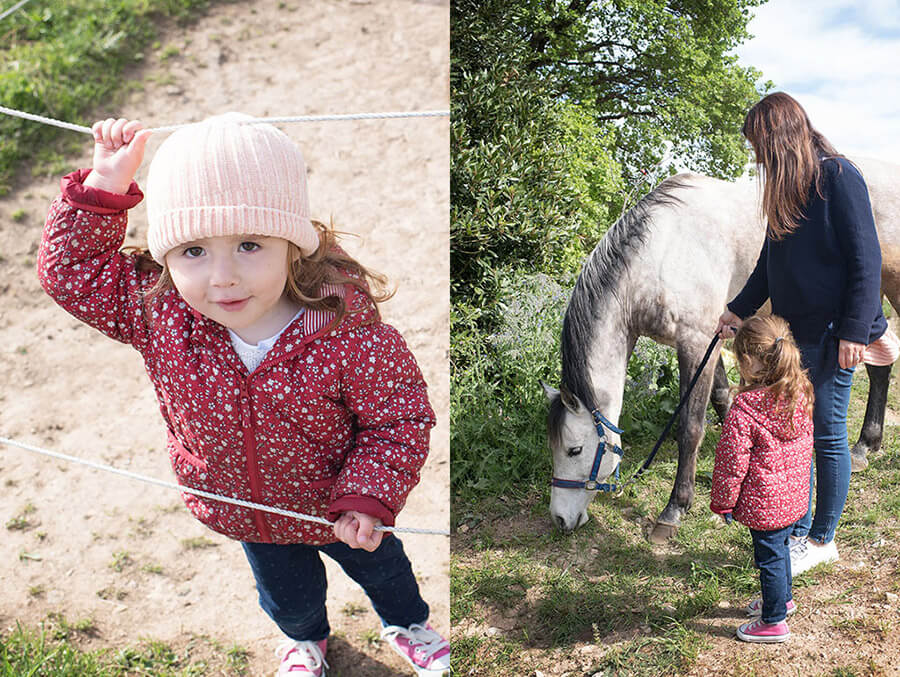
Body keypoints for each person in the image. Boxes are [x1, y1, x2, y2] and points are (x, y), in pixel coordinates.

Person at [38, 115, 450, 677]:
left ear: (293, 246)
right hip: (251, 513)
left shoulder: (348, 331)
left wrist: (366, 498)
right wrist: (105, 187)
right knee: (289, 598)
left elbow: (397, 420)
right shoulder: (160, 314)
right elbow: (69, 271)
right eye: (192, 251)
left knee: (387, 574)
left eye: (250, 244)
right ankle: (305, 643)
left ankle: (409, 625)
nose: (222, 277)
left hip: (344, 512)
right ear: (165, 257)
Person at [716, 92, 886, 576]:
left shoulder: (837, 176)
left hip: (835, 335)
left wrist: (855, 330)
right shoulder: (787, 188)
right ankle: (798, 526)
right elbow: (769, 266)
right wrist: (736, 311)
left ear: (779, 136)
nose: (757, 157)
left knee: (828, 436)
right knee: (800, 433)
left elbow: (865, 260)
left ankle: (822, 538)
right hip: (794, 335)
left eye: (759, 145)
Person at [711, 314, 814, 643]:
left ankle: (773, 621)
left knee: (769, 558)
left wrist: (723, 503)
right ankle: (782, 600)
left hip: (765, 504)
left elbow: (731, 463)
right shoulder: (800, 392)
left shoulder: (744, 408)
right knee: (780, 550)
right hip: (793, 497)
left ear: (747, 361)